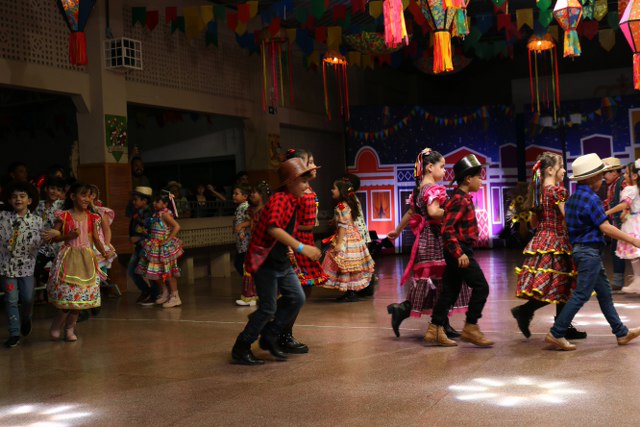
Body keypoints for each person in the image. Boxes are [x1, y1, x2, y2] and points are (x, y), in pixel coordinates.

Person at [231, 158, 321, 365]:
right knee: (268, 308)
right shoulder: (280, 199)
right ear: (290, 182)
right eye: (303, 181)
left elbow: (285, 229)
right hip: (266, 263)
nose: (307, 186)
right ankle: (241, 347)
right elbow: (273, 228)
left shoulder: (293, 200)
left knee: (296, 298)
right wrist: (302, 247)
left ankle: (269, 335)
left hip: (280, 261)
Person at [546, 153, 640, 351]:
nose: (602, 179)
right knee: (581, 294)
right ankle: (556, 332)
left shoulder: (572, 199)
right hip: (589, 253)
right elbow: (605, 227)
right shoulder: (591, 199)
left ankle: (621, 333)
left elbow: (567, 224)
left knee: (604, 294)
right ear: (591, 178)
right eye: (600, 176)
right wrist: (633, 240)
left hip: (582, 251)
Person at [387, 148, 467, 339]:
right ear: (430, 167)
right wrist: (454, 212)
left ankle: (434, 320)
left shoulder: (419, 190)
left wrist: (397, 231)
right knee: (443, 281)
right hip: (435, 238)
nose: (445, 170)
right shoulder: (433, 189)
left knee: (436, 282)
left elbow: (411, 213)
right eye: (442, 166)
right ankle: (437, 322)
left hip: (425, 238)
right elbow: (433, 212)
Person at [511, 152, 585, 339]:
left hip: (542, 240)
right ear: (550, 170)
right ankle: (526, 311)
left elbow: (534, 223)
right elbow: (568, 218)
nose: (564, 171)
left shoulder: (538, 193)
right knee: (561, 284)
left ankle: (562, 325)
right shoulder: (558, 191)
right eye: (562, 166)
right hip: (556, 240)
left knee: (561, 282)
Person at [425, 154, 493, 347]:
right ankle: (471, 326)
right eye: (479, 177)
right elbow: (447, 229)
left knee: (451, 291)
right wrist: (459, 253)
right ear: (468, 179)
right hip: (459, 251)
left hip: (459, 250)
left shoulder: (462, 198)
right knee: (481, 287)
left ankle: (435, 328)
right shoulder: (459, 200)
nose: (481, 180)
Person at [46, 182, 108, 342]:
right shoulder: (64, 216)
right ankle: (57, 325)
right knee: (67, 298)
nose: (87, 199)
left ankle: (69, 329)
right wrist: (68, 236)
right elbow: (52, 238)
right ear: (73, 196)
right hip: (69, 259)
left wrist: (104, 251)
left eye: (89, 196)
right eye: (83, 195)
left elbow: (96, 238)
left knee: (80, 299)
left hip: (86, 260)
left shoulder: (93, 217)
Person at [281, 149, 327, 353]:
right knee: (296, 291)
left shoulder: (307, 189)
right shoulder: (295, 192)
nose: (314, 166)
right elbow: (286, 222)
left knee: (304, 290)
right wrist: (291, 247)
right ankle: (281, 331)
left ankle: (283, 330)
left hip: (306, 238)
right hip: (296, 240)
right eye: (310, 162)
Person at [0, 182, 44, 348]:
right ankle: (14, 333)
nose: (18, 199)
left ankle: (26, 318)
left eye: (22, 196)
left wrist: (55, 234)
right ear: (9, 200)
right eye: (14, 197)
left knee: (27, 298)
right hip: (6, 266)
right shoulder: (3, 216)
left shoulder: (37, 221)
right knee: (11, 300)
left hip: (27, 267)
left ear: (29, 200)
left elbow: (44, 240)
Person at [321, 179, 375, 302]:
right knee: (350, 265)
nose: (332, 190)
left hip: (347, 238)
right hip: (353, 236)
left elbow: (343, 226)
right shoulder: (346, 204)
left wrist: (339, 243)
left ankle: (351, 293)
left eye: (334, 188)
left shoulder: (342, 206)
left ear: (341, 191)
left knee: (346, 265)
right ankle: (351, 291)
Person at [136, 192, 184, 308]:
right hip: (155, 247)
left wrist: (168, 240)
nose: (154, 203)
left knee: (169, 272)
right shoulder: (156, 214)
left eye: (157, 201)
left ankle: (175, 296)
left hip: (164, 248)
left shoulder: (165, 214)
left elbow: (177, 226)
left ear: (165, 204)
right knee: (154, 271)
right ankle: (165, 292)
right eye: (154, 201)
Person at [236, 181, 272, 306]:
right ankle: (250, 296)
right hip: (254, 242)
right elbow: (251, 222)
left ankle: (264, 295)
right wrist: (242, 225)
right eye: (251, 192)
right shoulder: (251, 209)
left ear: (262, 194)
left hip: (263, 244)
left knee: (264, 271)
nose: (251, 194)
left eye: (254, 192)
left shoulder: (267, 209)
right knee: (249, 268)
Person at [607, 160, 640, 294]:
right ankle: (637, 280)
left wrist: (607, 212)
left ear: (635, 176)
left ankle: (638, 280)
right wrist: (626, 212)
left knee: (634, 252)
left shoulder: (630, 189)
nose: (624, 176)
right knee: (635, 254)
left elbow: (624, 204)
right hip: (634, 219)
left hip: (633, 224)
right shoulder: (636, 189)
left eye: (627, 173)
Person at [33, 177, 65, 301]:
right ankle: (44, 290)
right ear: (46, 189)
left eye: (58, 190)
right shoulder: (39, 205)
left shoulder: (62, 205)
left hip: (58, 245)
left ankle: (61, 296)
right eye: (52, 188)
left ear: (62, 193)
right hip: (41, 245)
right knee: (35, 269)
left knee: (61, 272)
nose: (54, 192)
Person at [128, 186, 156, 305]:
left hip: (148, 247)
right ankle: (146, 291)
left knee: (150, 272)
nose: (134, 202)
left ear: (144, 200)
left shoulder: (151, 214)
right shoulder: (137, 213)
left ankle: (154, 295)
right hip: (139, 247)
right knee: (132, 270)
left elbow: (153, 232)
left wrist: (139, 238)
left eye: (136, 199)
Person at [602, 157, 627, 291]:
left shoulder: (622, 183)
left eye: (605, 173)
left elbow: (628, 201)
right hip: (617, 223)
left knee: (634, 251)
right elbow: (608, 202)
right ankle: (618, 281)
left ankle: (620, 281)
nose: (603, 176)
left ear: (615, 172)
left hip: (626, 222)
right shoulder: (612, 185)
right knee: (616, 250)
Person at [232, 183, 252, 305]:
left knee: (242, 265)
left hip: (246, 243)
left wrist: (241, 226)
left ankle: (250, 292)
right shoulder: (240, 206)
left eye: (236, 194)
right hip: (241, 243)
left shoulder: (246, 206)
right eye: (233, 193)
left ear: (245, 196)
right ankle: (249, 290)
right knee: (239, 264)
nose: (233, 196)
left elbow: (250, 220)